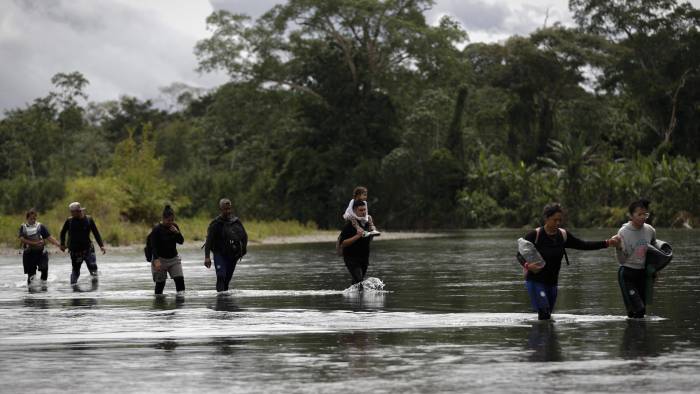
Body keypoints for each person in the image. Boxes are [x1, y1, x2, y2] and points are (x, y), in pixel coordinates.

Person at [521, 203, 619, 320]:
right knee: (544, 313)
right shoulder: (535, 235)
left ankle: (547, 338)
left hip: (552, 283)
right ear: (546, 218)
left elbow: (583, 245)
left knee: (547, 317)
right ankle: (539, 337)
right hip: (535, 281)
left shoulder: (563, 235)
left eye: (560, 220)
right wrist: (527, 265)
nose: (558, 223)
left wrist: (606, 243)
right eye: (554, 220)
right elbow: (519, 255)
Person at [615, 198, 658, 318]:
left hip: (643, 274)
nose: (643, 217)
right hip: (627, 274)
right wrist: (618, 247)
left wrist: (654, 271)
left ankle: (636, 336)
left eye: (645, 214)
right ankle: (632, 334)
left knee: (641, 313)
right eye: (639, 214)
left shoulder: (650, 230)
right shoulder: (623, 232)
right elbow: (621, 261)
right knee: (638, 309)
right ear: (631, 215)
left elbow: (653, 251)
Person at [204, 198, 248, 293]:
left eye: (229, 209)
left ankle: (225, 303)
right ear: (221, 209)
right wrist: (207, 257)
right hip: (219, 253)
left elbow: (244, 236)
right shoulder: (215, 224)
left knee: (227, 280)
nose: (228, 211)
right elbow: (208, 241)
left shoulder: (236, 221)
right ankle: (220, 299)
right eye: (225, 209)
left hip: (232, 255)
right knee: (221, 276)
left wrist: (243, 250)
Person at [59, 202, 106, 285]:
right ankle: (73, 289)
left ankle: (94, 289)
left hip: (88, 249)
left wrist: (101, 245)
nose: (71, 213)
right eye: (71, 212)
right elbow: (63, 232)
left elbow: (96, 233)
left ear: (77, 211)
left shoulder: (89, 219)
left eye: (72, 212)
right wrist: (62, 244)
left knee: (93, 268)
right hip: (75, 252)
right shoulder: (69, 221)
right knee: (75, 272)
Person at [148, 205, 185, 295]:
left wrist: (177, 233)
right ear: (163, 219)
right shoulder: (156, 229)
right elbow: (153, 246)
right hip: (160, 259)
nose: (171, 222)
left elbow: (181, 241)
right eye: (169, 220)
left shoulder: (174, 227)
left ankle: (180, 306)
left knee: (180, 281)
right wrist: (156, 260)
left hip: (174, 259)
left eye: (172, 220)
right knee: (160, 285)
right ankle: (159, 305)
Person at [18, 208, 61, 286]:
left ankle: (43, 288)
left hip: (41, 253)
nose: (33, 220)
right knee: (31, 276)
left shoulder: (40, 226)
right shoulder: (23, 227)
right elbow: (22, 239)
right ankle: (31, 293)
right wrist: (35, 243)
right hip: (29, 254)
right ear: (27, 218)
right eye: (31, 219)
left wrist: (59, 245)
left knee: (44, 270)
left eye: (34, 218)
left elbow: (49, 237)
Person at [338, 200, 376, 288]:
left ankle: (351, 299)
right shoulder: (350, 225)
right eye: (361, 210)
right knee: (360, 282)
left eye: (364, 210)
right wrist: (357, 236)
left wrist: (372, 232)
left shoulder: (368, 223)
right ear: (355, 211)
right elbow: (342, 244)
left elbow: (368, 239)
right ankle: (356, 299)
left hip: (364, 258)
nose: (363, 212)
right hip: (351, 259)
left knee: (357, 284)